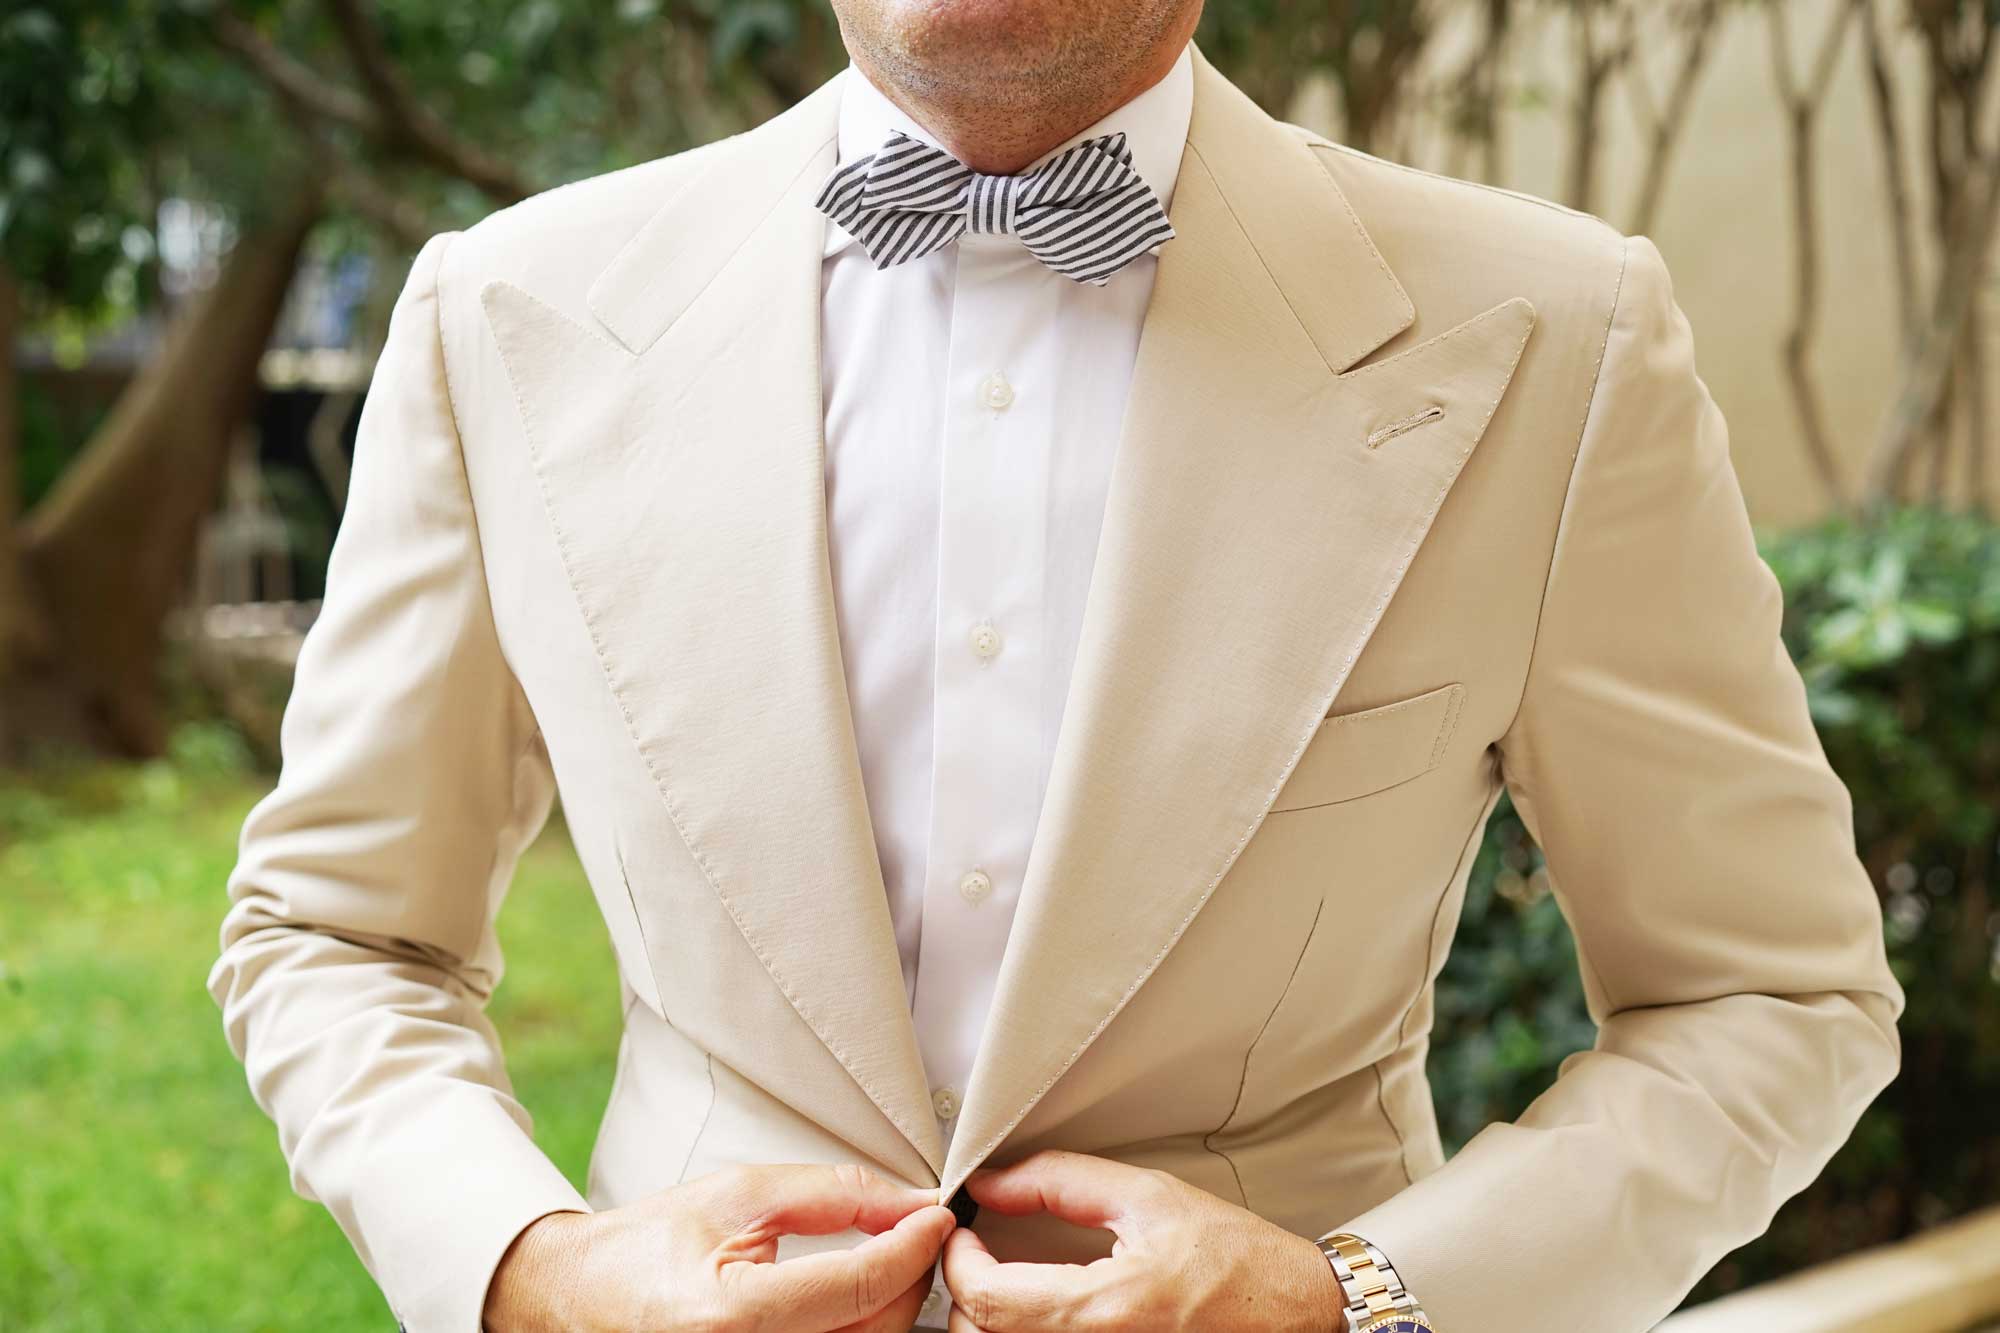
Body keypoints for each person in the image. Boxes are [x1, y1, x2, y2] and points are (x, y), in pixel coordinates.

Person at [206, 1, 1905, 1330]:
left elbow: (1772, 993)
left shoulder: (1557, 337)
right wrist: (532, 1273)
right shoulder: (506, 313)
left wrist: (1357, 1298)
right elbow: (341, 932)